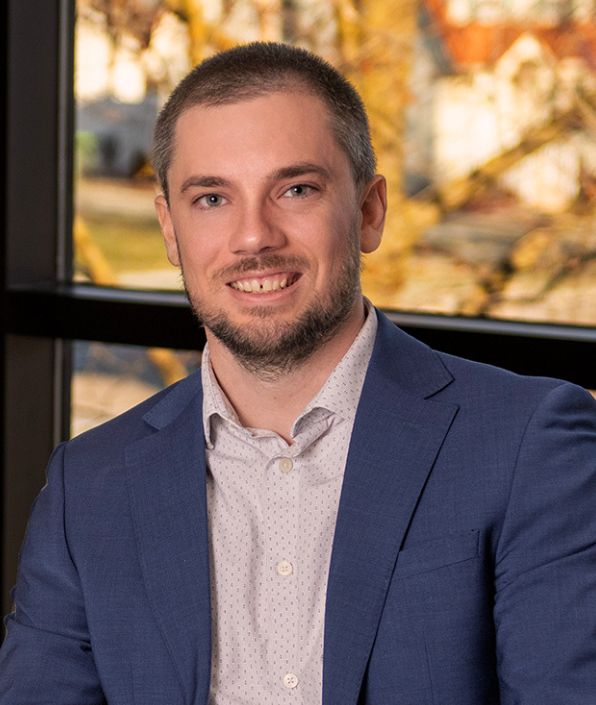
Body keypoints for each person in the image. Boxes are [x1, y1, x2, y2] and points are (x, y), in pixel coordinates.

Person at [1, 42, 595, 705]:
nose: (254, 235)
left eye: (296, 189)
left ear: (370, 211)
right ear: (169, 229)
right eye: (211, 198)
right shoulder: (88, 486)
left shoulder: (527, 445)